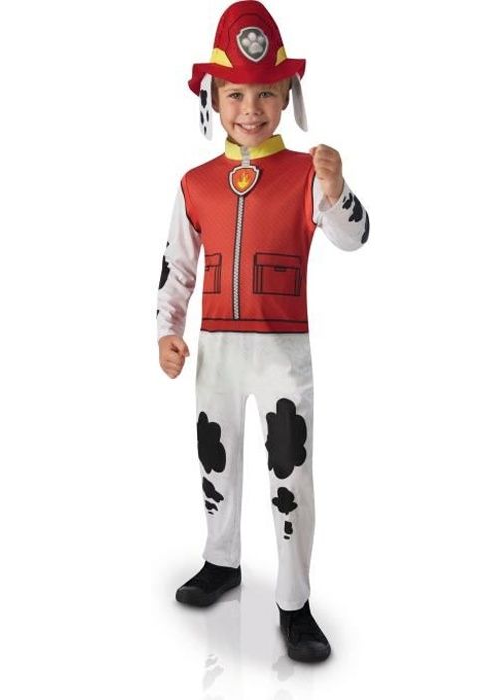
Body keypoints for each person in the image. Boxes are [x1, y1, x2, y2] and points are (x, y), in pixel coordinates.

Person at [156, 0, 369, 663]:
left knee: (290, 473)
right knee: (214, 459)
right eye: (236, 94)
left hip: (283, 354)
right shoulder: (195, 184)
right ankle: (221, 560)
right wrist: (167, 330)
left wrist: (336, 188)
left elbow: (354, 238)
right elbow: (177, 266)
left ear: (287, 96)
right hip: (217, 352)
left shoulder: (308, 174)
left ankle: (294, 602)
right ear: (213, 100)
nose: (250, 109)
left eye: (265, 94)